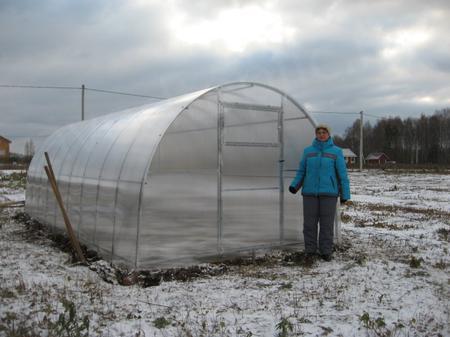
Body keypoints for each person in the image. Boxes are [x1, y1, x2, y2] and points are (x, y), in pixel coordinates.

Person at [288, 124, 350, 261]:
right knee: (309, 224)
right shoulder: (308, 151)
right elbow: (302, 171)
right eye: (319, 132)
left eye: (324, 132)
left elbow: (342, 175)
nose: (321, 134)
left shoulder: (336, 152)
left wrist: (345, 194)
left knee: (326, 224)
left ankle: (326, 251)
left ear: (329, 134)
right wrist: (294, 185)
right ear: (316, 134)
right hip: (309, 193)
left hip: (329, 194)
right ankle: (310, 251)